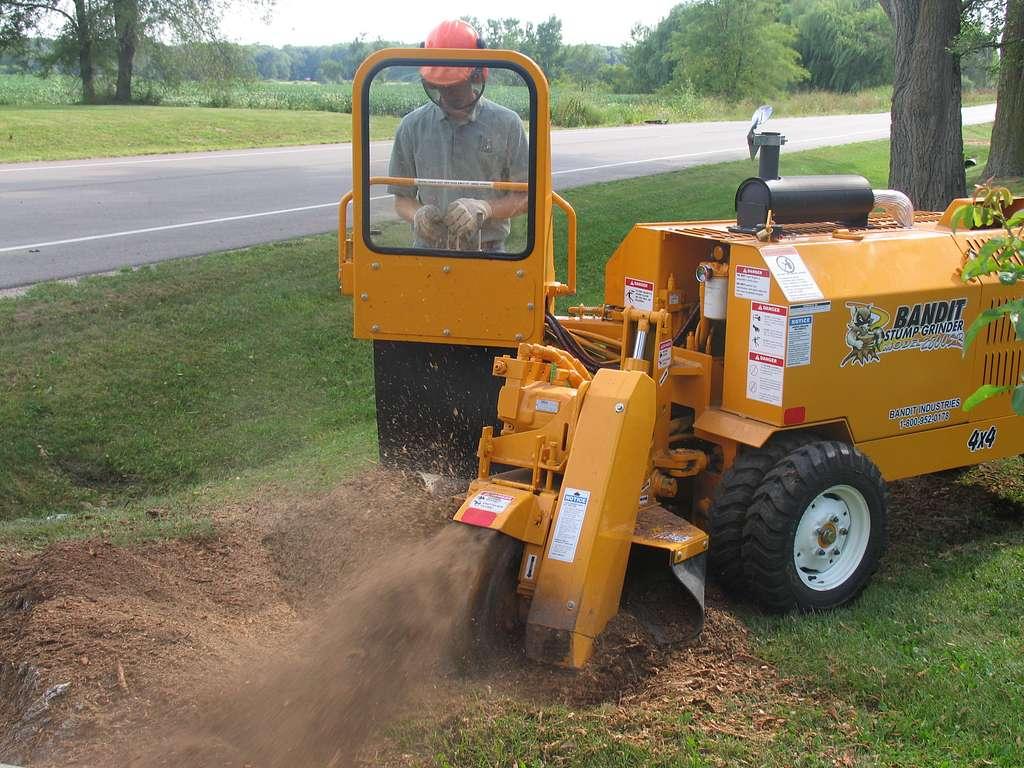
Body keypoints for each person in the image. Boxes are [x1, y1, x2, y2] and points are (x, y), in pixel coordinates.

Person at [387, 20, 529, 252]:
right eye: (439, 84)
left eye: (453, 83)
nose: (446, 91)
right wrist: (417, 215)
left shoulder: (506, 124)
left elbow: (525, 197)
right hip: (429, 252)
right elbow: (402, 199)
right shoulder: (412, 126)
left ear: (476, 74)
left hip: (488, 253)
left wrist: (485, 208)